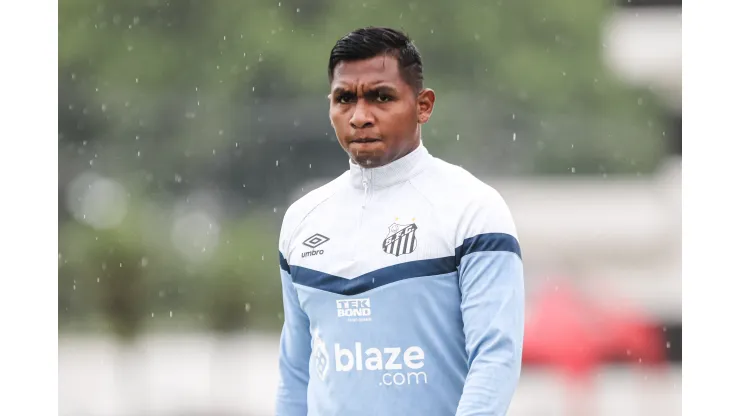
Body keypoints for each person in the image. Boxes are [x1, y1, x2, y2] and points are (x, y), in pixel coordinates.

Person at [275, 26, 524, 416]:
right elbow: (295, 371)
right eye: (344, 99)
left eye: (381, 97)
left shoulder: (473, 210)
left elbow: (495, 358)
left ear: (423, 104)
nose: (360, 116)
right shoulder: (302, 220)